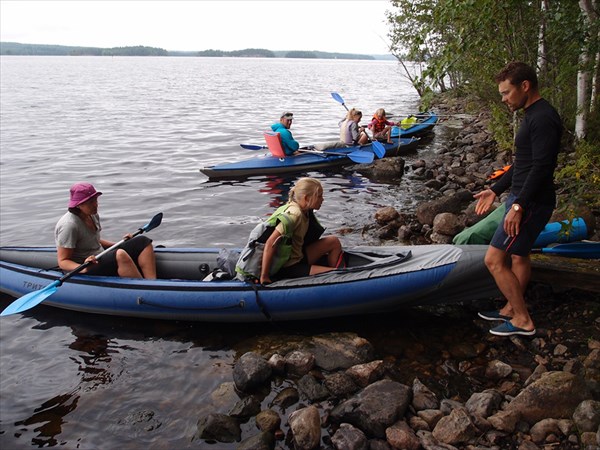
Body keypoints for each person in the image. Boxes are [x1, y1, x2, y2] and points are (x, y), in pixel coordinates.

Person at [473, 61, 562, 337]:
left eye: (506, 92)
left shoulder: (543, 117)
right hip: (525, 197)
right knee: (519, 256)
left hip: (531, 201)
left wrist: (518, 205)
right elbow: (523, 163)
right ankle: (511, 309)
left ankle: (522, 319)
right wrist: (495, 190)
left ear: (525, 86)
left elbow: (542, 166)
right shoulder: (532, 114)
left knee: (493, 260)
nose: (503, 99)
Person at [55, 182, 157, 279]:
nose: (95, 205)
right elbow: (63, 261)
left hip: (99, 255)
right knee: (120, 254)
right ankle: (143, 287)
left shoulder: (92, 214)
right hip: (84, 265)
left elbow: (92, 240)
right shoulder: (69, 225)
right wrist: (83, 268)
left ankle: (152, 283)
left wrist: (118, 244)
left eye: (95, 200)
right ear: (78, 205)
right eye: (90, 203)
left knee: (143, 241)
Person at [260, 177, 343, 285]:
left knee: (334, 241)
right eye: (319, 196)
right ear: (306, 198)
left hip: (298, 255)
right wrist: (264, 276)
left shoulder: (305, 210)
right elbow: (270, 242)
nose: (322, 199)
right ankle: (335, 278)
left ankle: (332, 274)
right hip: (289, 266)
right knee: (334, 274)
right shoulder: (294, 214)